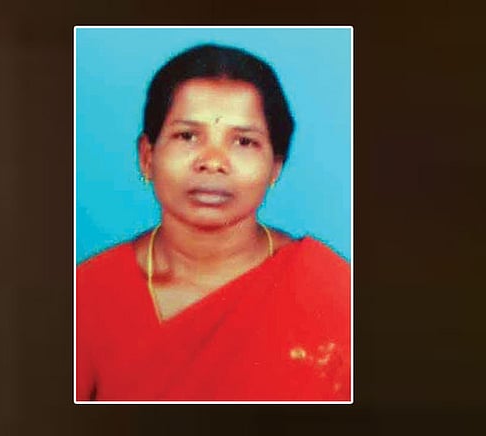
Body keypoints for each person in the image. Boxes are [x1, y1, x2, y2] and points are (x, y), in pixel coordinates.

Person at [76, 43, 351, 401]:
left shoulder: (331, 290)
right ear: (147, 156)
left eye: (244, 142)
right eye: (187, 136)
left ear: (275, 167)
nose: (213, 161)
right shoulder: (88, 296)